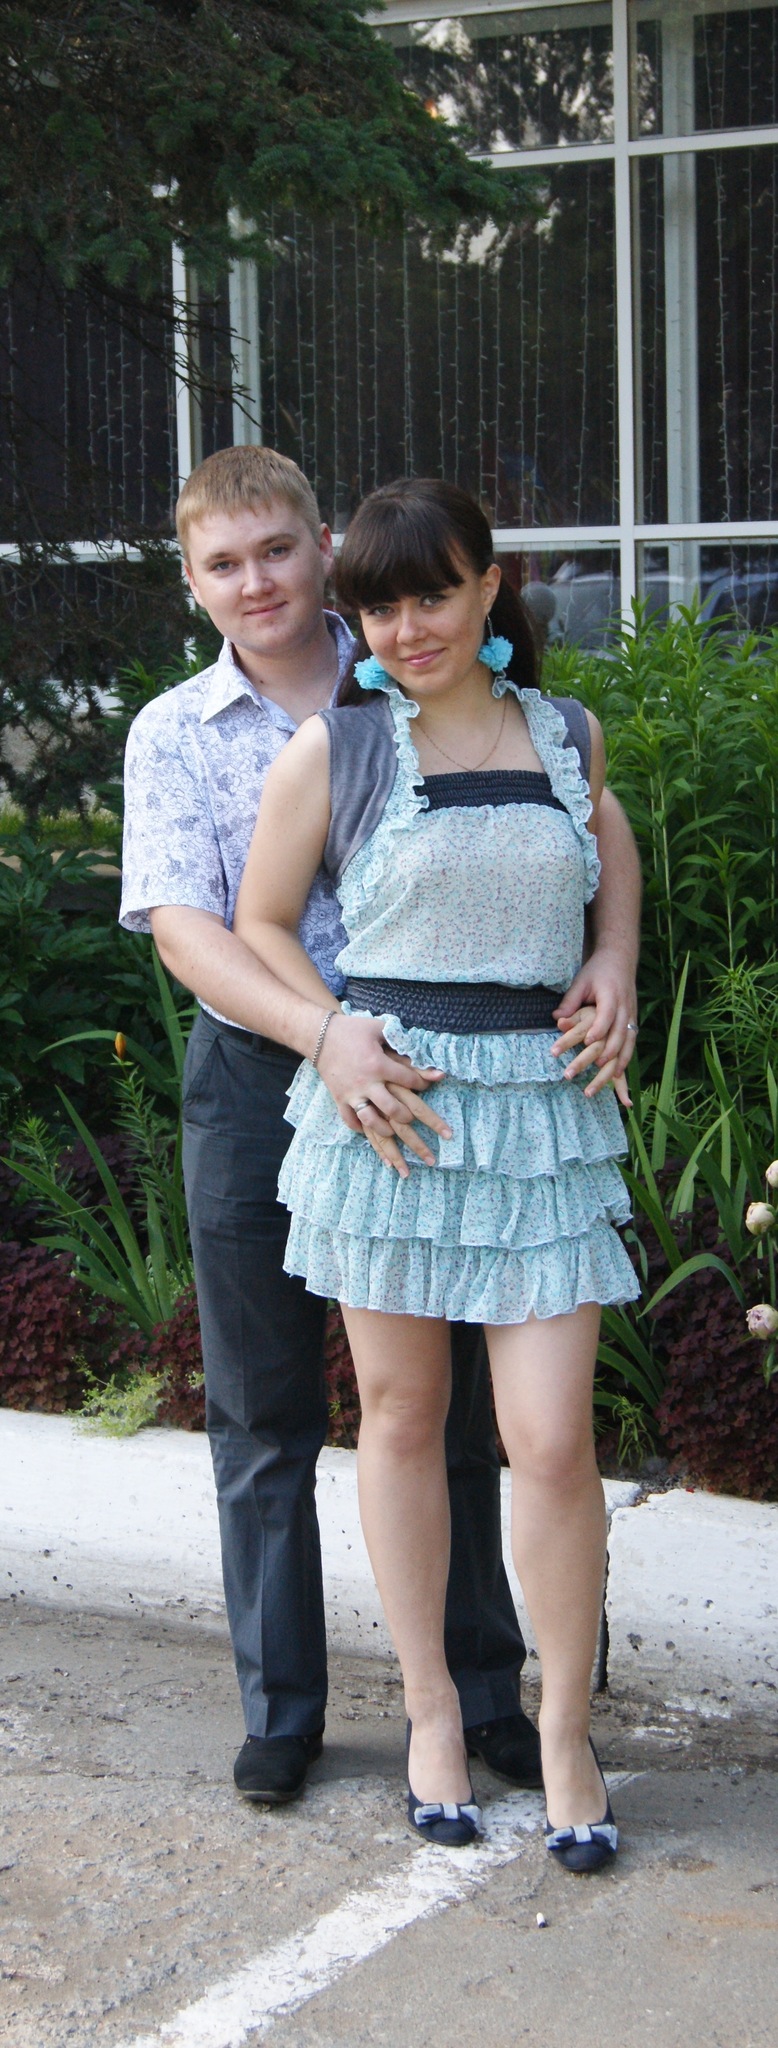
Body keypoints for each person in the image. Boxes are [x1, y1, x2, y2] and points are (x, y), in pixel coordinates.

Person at [120, 446, 640, 1816]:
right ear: (194, 584)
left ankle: (495, 1701)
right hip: (274, 1072)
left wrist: (614, 958)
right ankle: (289, 1715)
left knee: (476, 1423)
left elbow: (595, 829)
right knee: (271, 1412)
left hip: (479, 1088)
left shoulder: (448, 688)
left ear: (321, 556)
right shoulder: (192, 732)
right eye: (223, 564)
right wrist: (326, 1031)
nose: (255, 581)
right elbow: (195, 925)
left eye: (275, 552)